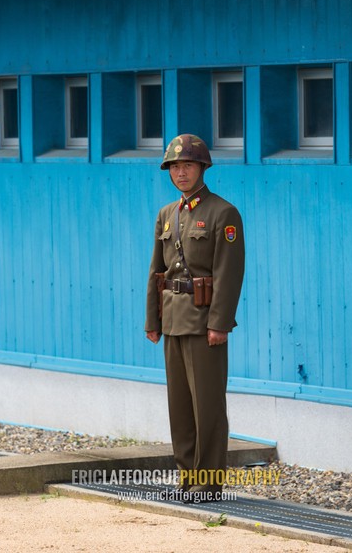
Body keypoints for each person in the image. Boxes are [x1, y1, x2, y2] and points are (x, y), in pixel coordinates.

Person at [145, 134, 245, 503]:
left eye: (187, 165)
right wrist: (152, 320)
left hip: (205, 323)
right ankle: (187, 477)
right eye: (174, 166)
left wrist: (220, 322)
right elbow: (157, 272)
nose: (180, 172)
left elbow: (229, 273)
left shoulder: (223, 213)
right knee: (180, 406)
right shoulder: (166, 214)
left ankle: (208, 484)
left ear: (202, 167)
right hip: (172, 319)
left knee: (208, 406)